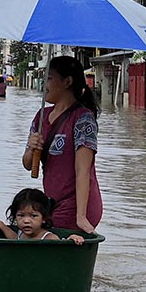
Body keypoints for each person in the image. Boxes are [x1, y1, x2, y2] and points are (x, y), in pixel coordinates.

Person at [22, 55, 102, 234]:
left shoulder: (83, 119)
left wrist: (81, 216)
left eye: (49, 79)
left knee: (38, 238)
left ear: (67, 82)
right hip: (51, 203)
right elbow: (28, 164)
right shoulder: (41, 116)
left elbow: (83, 171)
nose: (44, 85)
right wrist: (31, 147)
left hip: (77, 204)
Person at [0, 188, 85, 244]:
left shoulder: (49, 238)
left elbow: (62, 250)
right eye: (20, 215)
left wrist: (72, 238)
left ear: (44, 218)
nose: (26, 221)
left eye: (33, 216)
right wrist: (2, 226)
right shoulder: (22, 234)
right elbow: (14, 238)